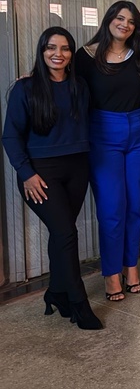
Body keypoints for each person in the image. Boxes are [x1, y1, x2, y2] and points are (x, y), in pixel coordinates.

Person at [2, 27, 102, 329]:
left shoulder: (80, 86)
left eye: (65, 48)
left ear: (72, 54)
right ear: (42, 51)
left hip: (77, 168)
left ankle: (57, 292)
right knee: (66, 233)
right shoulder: (25, 88)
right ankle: (78, 303)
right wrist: (26, 173)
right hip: (41, 174)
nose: (58, 54)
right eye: (51, 47)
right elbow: (10, 136)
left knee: (61, 234)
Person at [76, 1, 140, 301]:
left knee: (135, 207)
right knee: (111, 209)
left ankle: (130, 266)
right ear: (109, 19)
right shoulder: (85, 56)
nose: (125, 24)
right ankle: (111, 272)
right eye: (120, 18)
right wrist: (32, 77)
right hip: (103, 134)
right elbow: (56, 75)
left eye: (131, 21)